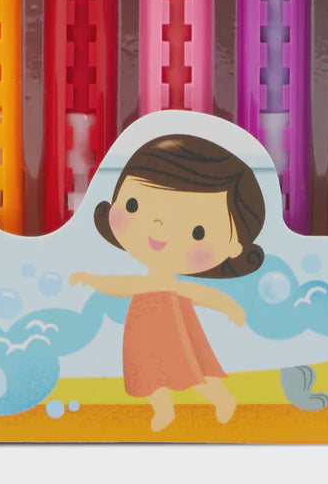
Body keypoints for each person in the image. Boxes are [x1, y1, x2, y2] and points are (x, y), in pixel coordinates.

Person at [70, 133, 265, 432]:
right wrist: (93, 280)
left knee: (189, 367)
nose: (159, 228)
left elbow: (193, 292)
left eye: (198, 232)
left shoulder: (171, 288)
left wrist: (229, 306)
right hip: (143, 329)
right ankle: (164, 410)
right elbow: (125, 286)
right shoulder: (153, 282)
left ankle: (222, 399)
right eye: (133, 205)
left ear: (234, 246)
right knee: (148, 372)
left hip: (172, 325)